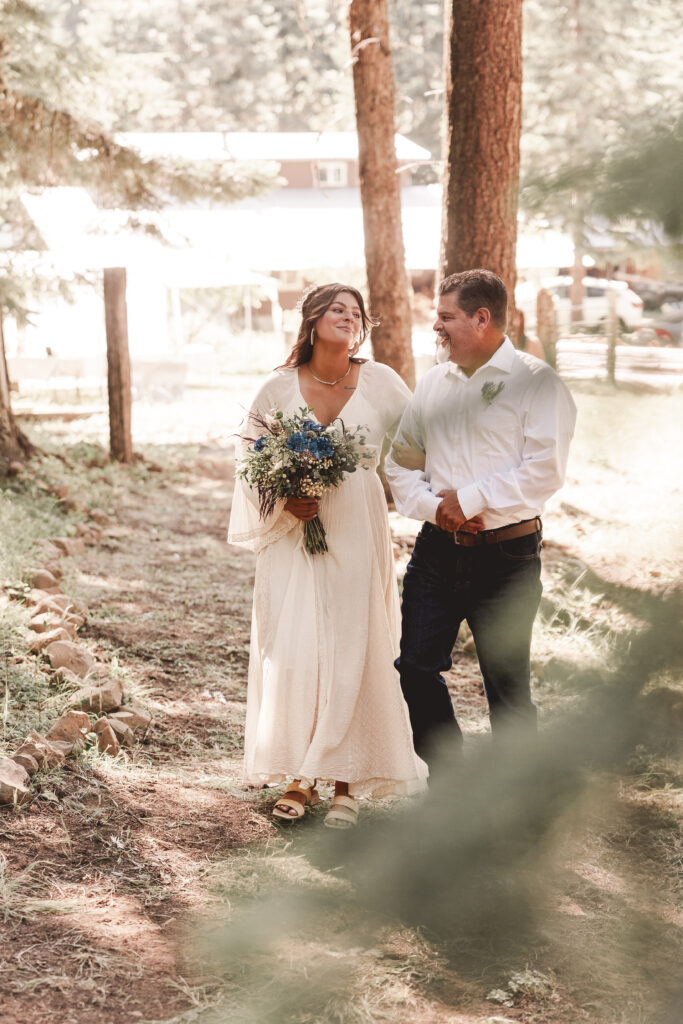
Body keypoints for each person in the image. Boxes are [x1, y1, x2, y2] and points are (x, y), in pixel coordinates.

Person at [228, 283, 427, 828]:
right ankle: (299, 774)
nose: (348, 317)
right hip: (297, 531)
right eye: (337, 309)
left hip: (358, 526)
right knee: (296, 646)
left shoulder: (382, 382)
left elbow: (417, 448)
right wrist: (283, 498)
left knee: (355, 641)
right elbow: (248, 462)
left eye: (356, 312)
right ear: (313, 320)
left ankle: (346, 782)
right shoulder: (277, 387)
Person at [385, 269, 576, 766]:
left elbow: (545, 472)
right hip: (436, 554)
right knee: (415, 668)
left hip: (508, 557)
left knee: (507, 686)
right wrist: (438, 510)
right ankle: (450, 790)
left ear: (481, 318)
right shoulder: (431, 385)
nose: (437, 328)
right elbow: (399, 466)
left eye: (446, 317)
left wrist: (468, 500)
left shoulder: (537, 383)